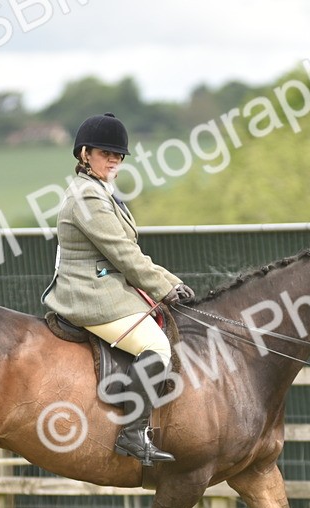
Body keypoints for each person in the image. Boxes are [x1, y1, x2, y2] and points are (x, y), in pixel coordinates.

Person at [41, 113, 195, 465]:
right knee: (156, 346)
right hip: (88, 294)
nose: (114, 161)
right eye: (105, 153)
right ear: (84, 154)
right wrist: (163, 287)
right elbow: (123, 254)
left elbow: (130, 252)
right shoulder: (87, 198)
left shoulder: (100, 192)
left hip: (107, 286)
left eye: (118, 155)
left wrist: (171, 282)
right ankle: (132, 433)